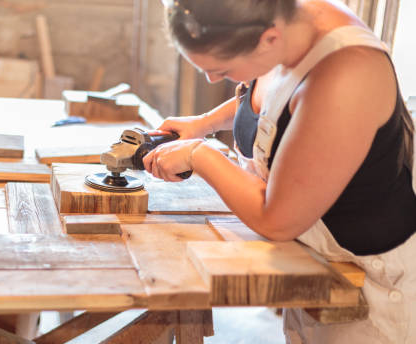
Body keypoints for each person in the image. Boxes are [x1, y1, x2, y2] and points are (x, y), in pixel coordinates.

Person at [142, 0, 416, 343]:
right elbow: (272, 98)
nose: (213, 78)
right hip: (319, 261)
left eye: (222, 69)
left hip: (372, 291)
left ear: (269, 39)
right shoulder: (282, 19)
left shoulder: (346, 75)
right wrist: (204, 124)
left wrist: (201, 156)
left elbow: (278, 219)